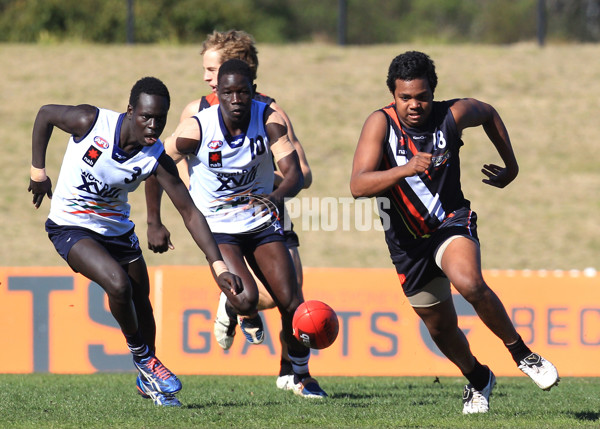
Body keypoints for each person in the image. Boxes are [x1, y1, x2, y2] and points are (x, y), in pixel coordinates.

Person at [349, 51, 559, 414]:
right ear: (392, 95)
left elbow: (489, 113)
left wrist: (512, 166)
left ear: (433, 92)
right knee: (441, 328)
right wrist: (405, 169)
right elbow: (358, 184)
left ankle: (524, 355)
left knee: (470, 282)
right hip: (407, 244)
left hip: (450, 221)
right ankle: (479, 379)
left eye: (422, 96)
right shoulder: (379, 125)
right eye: (405, 98)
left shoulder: (452, 115)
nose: (414, 105)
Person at [28, 76, 242, 407]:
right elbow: (44, 115)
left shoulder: (155, 157)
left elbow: (190, 213)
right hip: (70, 226)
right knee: (118, 285)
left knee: (141, 302)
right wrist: (38, 173)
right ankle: (143, 357)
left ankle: (149, 382)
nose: (153, 126)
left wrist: (218, 266)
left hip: (117, 233)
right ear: (130, 111)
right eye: (146, 117)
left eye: (160, 118)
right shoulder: (90, 121)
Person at [145, 59, 327, 398]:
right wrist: (154, 221)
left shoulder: (269, 121)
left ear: (253, 91)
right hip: (217, 227)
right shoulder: (198, 128)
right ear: (218, 94)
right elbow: (155, 160)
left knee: (292, 301)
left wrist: (275, 196)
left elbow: (294, 174)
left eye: (243, 91)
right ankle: (236, 306)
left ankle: (301, 377)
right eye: (227, 92)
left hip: (260, 224)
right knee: (247, 300)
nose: (236, 99)